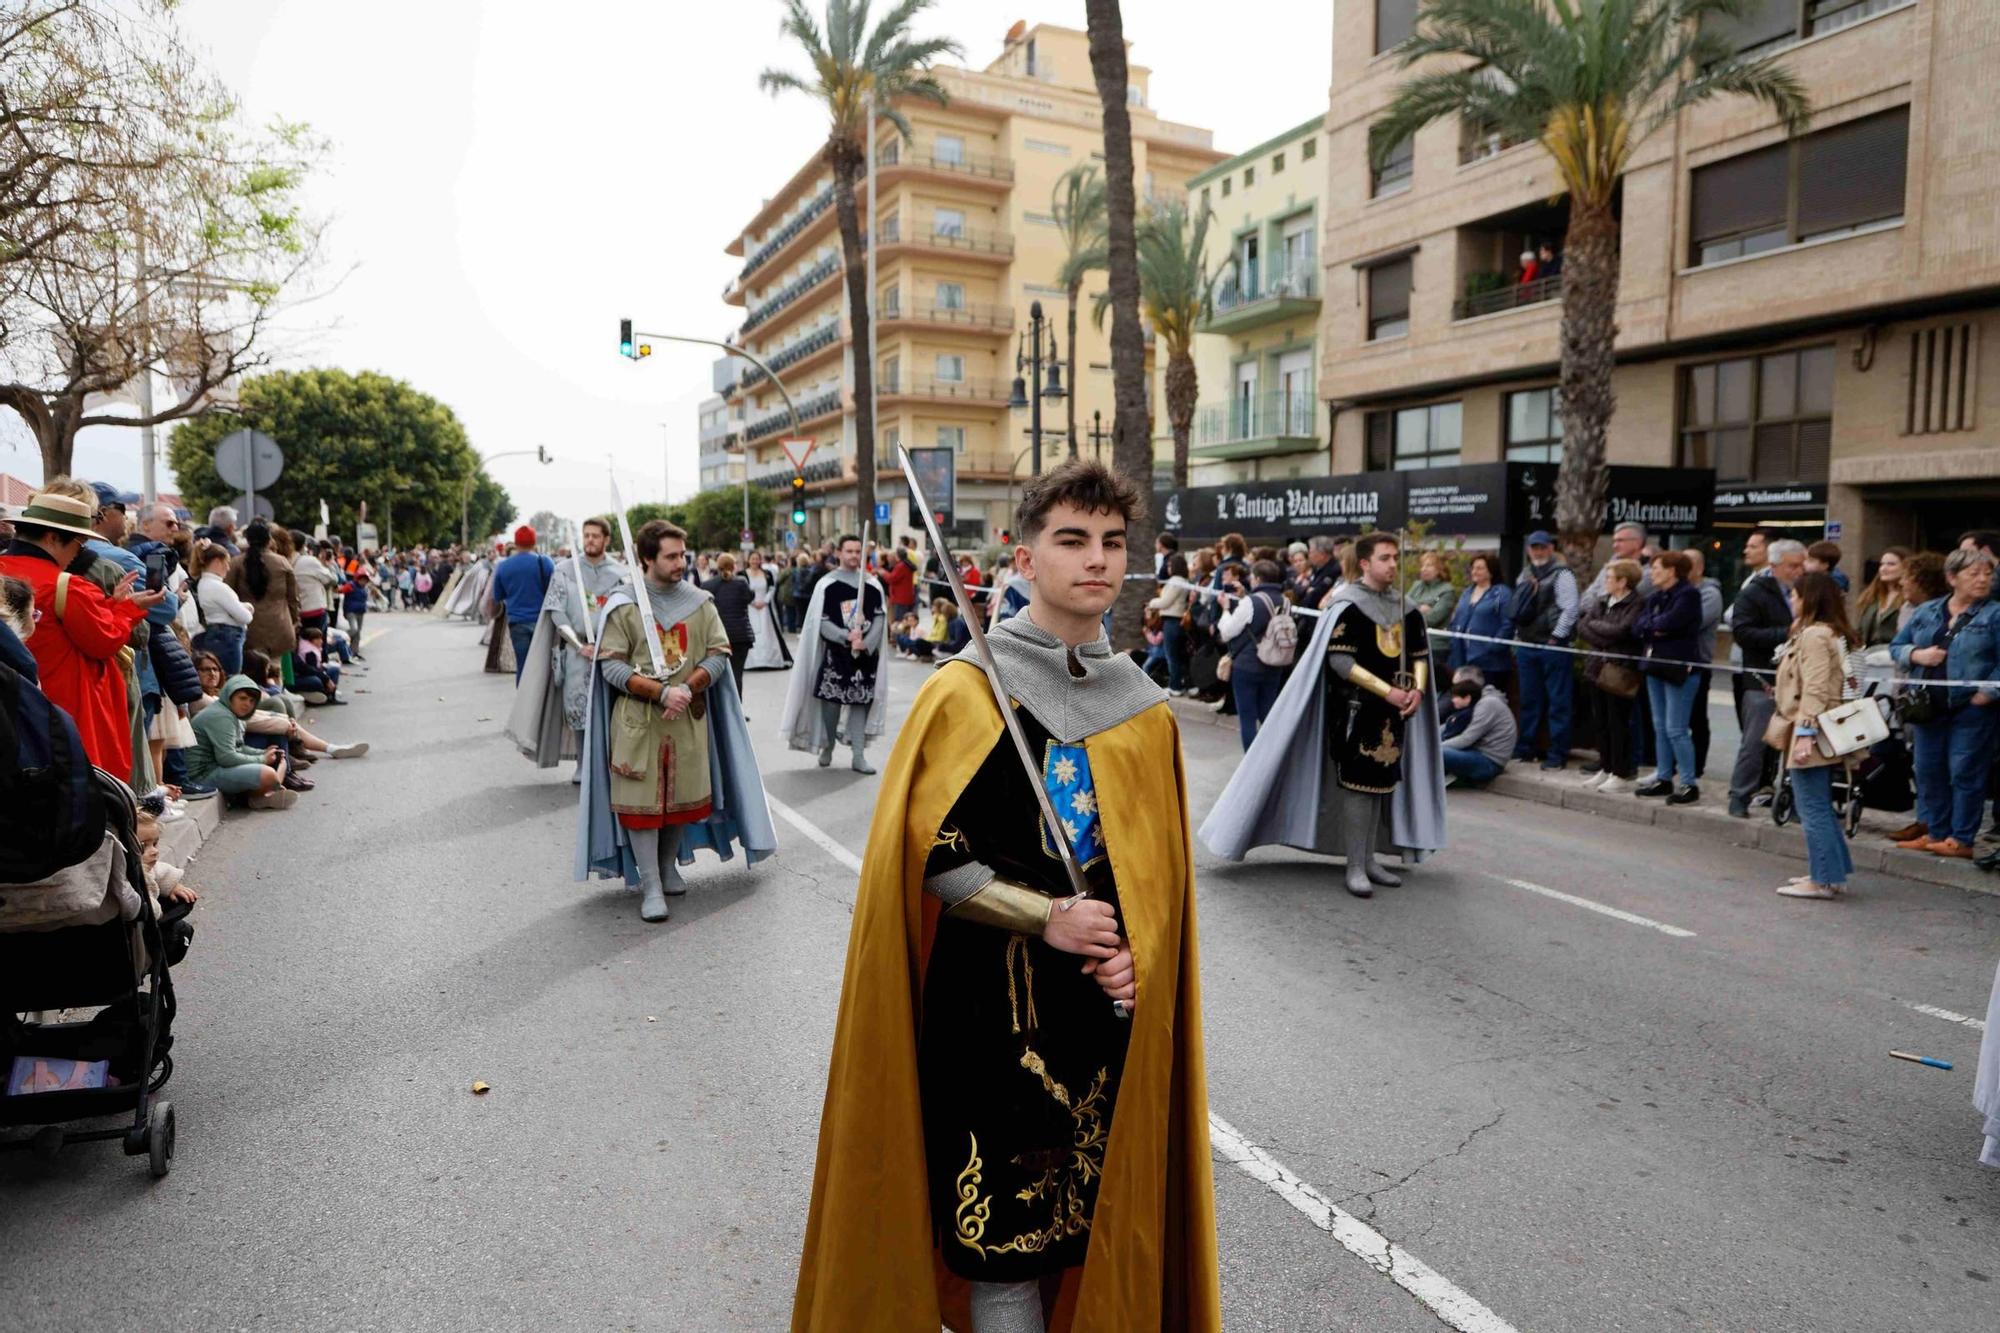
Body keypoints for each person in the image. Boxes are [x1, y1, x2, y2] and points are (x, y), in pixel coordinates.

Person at [794, 458, 1219, 1332]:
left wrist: (1138, 955)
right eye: (1071, 540)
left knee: (1093, 1223)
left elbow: (1154, 880)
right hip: (988, 1011)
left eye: (1111, 542)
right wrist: (1046, 916)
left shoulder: (1143, 709)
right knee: (1004, 1240)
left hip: (1101, 1015)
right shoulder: (967, 691)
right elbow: (932, 859)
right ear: (1024, 557)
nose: (1096, 560)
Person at [1202, 531, 1447, 899]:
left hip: (1395, 713)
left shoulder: (1405, 608)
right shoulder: (1348, 605)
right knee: (1358, 784)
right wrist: (1388, 691)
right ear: (1364, 563)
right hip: (1355, 711)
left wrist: (1418, 690)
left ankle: (1368, 859)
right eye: (1385, 558)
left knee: (1382, 783)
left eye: (1396, 558)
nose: (1393, 565)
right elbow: (1340, 660)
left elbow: (1417, 655)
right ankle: (1355, 865)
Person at [581, 519, 773, 922]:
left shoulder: (699, 602)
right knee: (641, 805)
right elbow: (611, 666)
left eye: (681, 555)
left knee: (678, 802)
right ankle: (650, 884)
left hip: (686, 718)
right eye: (670, 556)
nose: (679, 562)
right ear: (647, 558)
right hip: (638, 721)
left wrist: (687, 686)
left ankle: (667, 867)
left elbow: (719, 653)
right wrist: (659, 692)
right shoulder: (625, 604)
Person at [0, 487, 159, 779]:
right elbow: (103, 640)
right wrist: (127, 610)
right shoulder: (68, 586)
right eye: (79, 542)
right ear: (51, 538)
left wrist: (111, 606)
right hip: (66, 709)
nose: (80, 551)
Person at [1889, 549, 1998, 860]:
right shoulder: (1927, 611)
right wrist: (1916, 655)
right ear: (1952, 578)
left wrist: (1986, 693)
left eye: (1987, 574)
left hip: (1971, 708)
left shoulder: (1994, 614)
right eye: (1974, 573)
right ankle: (1935, 832)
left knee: (1965, 771)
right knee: (1928, 769)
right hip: (1927, 706)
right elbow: (1897, 646)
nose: (1982, 580)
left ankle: (1961, 838)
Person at [1769, 571, 1862, 898]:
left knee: (1813, 807)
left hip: (1812, 729)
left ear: (1809, 598)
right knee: (1819, 804)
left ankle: (1821, 880)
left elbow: (1816, 689)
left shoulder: (1815, 636)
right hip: (1822, 727)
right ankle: (1832, 874)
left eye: (1794, 595)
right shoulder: (1828, 633)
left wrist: (1806, 733)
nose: (1791, 601)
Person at [781, 534, 888, 774]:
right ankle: (828, 744)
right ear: (838, 553)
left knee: (860, 702)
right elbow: (821, 620)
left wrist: (866, 643)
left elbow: (880, 618)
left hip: (864, 658)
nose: (853, 555)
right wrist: (844, 636)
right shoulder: (827, 584)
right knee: (832, 704)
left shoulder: (872, 584)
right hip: (835, 656)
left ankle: (858, 755)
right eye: (848, 551)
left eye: (857, 551)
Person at [1726, 538, 1805, 817]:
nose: (1798, 571)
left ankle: (1794, 800)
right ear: (1774, 566)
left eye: (1801, 565)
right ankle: (1740, 796)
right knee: (1756, 741)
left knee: (1798, 743)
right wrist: (1785, 633)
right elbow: (1743, 634)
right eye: (1792, 566)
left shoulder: (1806, 591)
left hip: (1799, 680)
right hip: (1763, 678)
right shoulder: (1754, 593)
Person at [1633, 551, 1706, 805]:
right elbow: (1639, 625)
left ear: (1672, 571)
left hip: (1679, 668)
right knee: (1660, 725)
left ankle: (1688, 782)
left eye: (1657, 568)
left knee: (1676, 728)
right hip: (1655, 665)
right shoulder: (1655, 597)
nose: (1652, 573)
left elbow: (1671, 622)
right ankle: (1664, 777)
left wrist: (1654, 626)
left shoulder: (1688, 595)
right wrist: (1654, 627)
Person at [1511, 530, 1580, 770]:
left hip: (1554, 647)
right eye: (1534, 547)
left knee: (1558, 703)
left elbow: (1570, 610)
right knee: (1529, 700)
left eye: (1542, 547)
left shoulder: (1563, 574)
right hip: (1527, 645)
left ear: (1551, 548)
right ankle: (1526, 748)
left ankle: (1558, 754)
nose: (1538, 552)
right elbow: (1518, 607)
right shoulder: (1525, 573)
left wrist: (1555, 638)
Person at [1577, 558, 1645, 792]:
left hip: (1619, 669)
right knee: (1601, 721)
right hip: (1597, 666)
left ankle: (1620, 771)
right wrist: (1605, 636)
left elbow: (1621, 631)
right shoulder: (1603, 600)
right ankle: (1605, 767)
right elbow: (1583, 625)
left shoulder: (1636, 603)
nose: (1605, 581)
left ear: (1623, 581)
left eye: (1609, 577)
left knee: (1618, 722)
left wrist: (1601, 631)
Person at [186, 672, 297, 810]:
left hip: (215, 767)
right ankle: (259, 796)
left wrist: (263, 752)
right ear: (229, 696)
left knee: (275, 766)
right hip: (201, 776)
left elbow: (238, 747)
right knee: (269, 774)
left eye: (251, 701)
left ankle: (261, 795)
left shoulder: (233, 714)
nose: (247, 704)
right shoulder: (221, 716)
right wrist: (262, 759)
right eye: (242, 698)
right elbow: (226, 757)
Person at [1216, 557, 1292, 749]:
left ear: (1257, 579)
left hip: (1248, 665)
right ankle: (1271, 759)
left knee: (1247, 718)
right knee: (1268, 714)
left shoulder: (1251, 602)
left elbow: (1227, 632)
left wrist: (1225, 610)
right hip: (1275, 663)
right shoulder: (1286, 601)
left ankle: (1251, 763)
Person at [226, 519, 301, 690]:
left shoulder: (236, 563)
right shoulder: (282, 563)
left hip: (249, 626)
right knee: (275, 669)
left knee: (252, 670)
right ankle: (277, 703)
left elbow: (229, 593)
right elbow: (293, 598)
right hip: (279, 625)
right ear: (269, 540)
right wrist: (295, 620)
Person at [490, 524, 555, 684]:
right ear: (534, 543)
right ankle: (541, 704)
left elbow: (498, 595)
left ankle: (523, 704)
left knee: (523, 665)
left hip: (517, 622)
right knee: (544, 666)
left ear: (516, 543)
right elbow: (555, 590)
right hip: (542, 622)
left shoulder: (503, 566)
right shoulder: (544, 562)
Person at [1445, 552, 1513, 694]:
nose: (1474, 571)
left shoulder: (1502, 593)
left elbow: (1508, 624)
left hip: (1491, 664)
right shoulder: (1466, 593)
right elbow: (1457, 619)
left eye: (1480, 568)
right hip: (1463, 660)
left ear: (1491, 570)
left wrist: (1493, 646)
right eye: (1473, 568)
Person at [1440, 670, 1517, 786]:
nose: (1453, 692)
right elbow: (1450, 726)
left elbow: (1467, 739)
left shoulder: (1488, 704)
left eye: (1457, 687)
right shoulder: (1475, 701)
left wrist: (1432, 748)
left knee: (1439, 752)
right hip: (1474, 751)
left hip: (1489, 761)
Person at [1684, 547, 1723, 777]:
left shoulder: (1709, 593)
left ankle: (1697, 765)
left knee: (1696, 716)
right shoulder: (1676, 590)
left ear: (1699, 568)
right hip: (1674, 663)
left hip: (1698, 662)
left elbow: (1691, 623)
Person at [705, 552, 759, 700]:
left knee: (716, 674)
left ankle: (722, 712)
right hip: (741, 636)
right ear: (734, 566)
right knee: (737, 673)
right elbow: (748, 598)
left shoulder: (708, 585)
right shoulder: (741, 582)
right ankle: (738, 711)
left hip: (718, 636)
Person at [1147, 552, 1193, 695]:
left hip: (1172, 620)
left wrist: (1151, 603)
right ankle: (1182, 684)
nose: (1168, 567)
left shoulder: (1175, 581)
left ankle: (1175, 686)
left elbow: (1165, 602)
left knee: (1171, 655)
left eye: (1169, 565)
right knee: (1178, 655)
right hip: (1178, 621)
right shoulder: (1184, 581)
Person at [1407, 551, 1458, 660]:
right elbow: (1402, 609)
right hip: (1412, 642)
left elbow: (1432, 619)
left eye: (1428, 565)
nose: (1423, 569)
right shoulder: (1416, 586)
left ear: (1439, 569)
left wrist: (1414, 610)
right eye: (1422, 566)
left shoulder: (1447, 590)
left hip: (1435, 646)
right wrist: (1420, 609)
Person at [1854, 547, 1909, 647]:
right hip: (1868, 656)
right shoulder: (1871, 596)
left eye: (1891, 564)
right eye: (1882, 564)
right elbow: (1861, 631)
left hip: (1895, 655)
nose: (1884, 568)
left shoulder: (1910, 598)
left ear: (1905, 567)